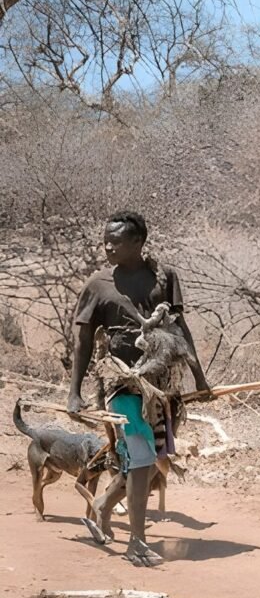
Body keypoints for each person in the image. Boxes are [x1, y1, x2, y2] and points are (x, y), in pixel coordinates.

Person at [68, 210, 211, 567]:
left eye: (115, 241)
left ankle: (102, 505)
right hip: (120, 382)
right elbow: (83, 342)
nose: (107, 246)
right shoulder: (98, 285)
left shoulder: (164, 278)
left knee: (149, 461)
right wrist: (74, 392)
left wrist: (200, 377)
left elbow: (180, 332)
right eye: (106, 240)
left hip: (161, 386)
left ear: (138, 243)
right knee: (143, 455)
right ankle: (137, 542)